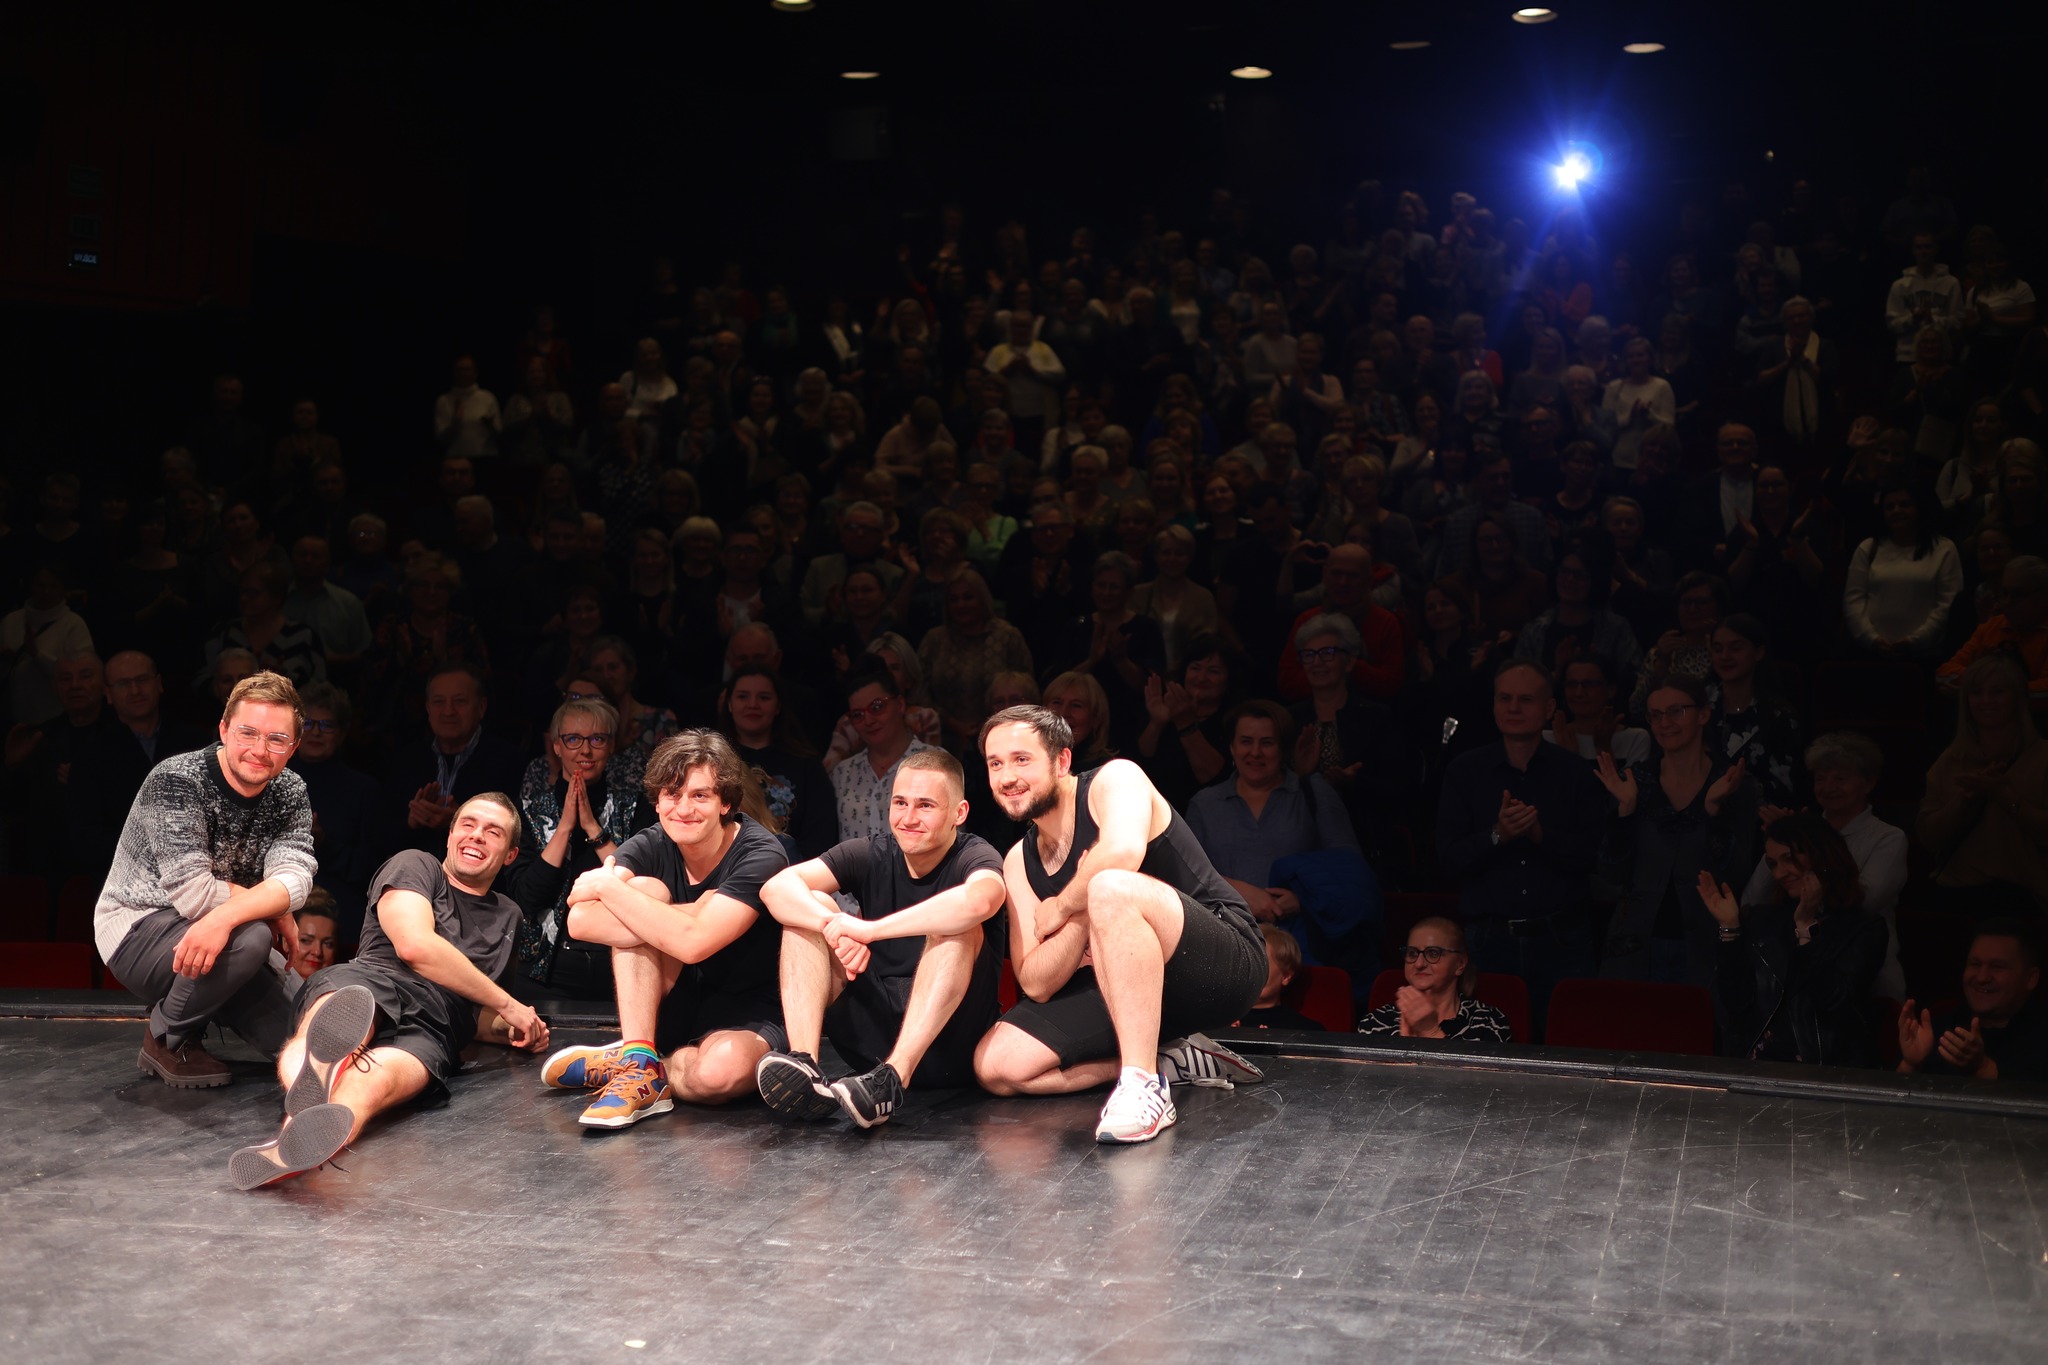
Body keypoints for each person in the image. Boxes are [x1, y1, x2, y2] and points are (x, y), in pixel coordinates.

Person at [972, 706, 1267, 1143]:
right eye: (995, 764)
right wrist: (1080, 918)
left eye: (1021, 759)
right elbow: (1035, 981)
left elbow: (1123, 854)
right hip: (1127, 987)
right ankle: (1168, 1060)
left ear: (1062, 761)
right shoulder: (1018, 860)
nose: (1007, 776)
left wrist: (1061, 907)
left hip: (1224, 961)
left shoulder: (1115, 780)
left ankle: (1143, 1086)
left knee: (1111, 885)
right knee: (996, 1065)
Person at [228, 794, 550, 1188]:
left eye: (493, 832)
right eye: (468, 824)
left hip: (437, 1025)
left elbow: (478, 1011)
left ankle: (293, 1146)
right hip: (374, 981)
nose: (477, 835)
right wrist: (508, 1004)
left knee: (374, 1083)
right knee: (339, 1024)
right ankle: (307, 1099)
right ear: (450, 835)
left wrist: (511, 1028)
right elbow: (414, 945)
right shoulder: (416, 864)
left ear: (511, 854)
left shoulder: (508, 915)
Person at [540, 730, 789, 1126]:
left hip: (749, 1004)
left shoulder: (760, 853)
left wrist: (611, 889)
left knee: (718, 1075)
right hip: (672, 999)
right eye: (672, 795)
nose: (683, 809)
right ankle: (640, 1061)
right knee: (645, 891)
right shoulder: (654, 843)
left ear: (725, 803)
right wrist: (686, 911)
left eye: (700, 795)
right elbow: (579, 920)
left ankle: (634, 1062)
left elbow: (695, 944)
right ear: (657, 802)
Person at [754, 749, 1007, 1126]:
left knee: (959, 926)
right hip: (871, 1038)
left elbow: (980, 899)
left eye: (925, 806)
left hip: (951, 1043)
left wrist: (870, 930)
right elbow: (775, 888)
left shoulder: (975, 855)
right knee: (810, 909)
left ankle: (893, 1079)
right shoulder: (871, 851)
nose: (908, 818)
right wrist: (832, 926)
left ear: (959, 813)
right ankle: (806, 1068)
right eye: (900, 803)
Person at [93, 673, 318, 1088]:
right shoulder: (177, 780)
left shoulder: (290, 791)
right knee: (253, 938)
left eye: (276, 739)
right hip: (137, 926)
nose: (259, 750)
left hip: (227, 931)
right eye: (247, 733)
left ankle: (212, 1001)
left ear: (293, 747)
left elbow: (296, 877)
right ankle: (166, 1036)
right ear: (224, 730)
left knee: (309, 1043)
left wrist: (241, 913)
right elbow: (194, 894)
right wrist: (267, 908)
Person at [1435, 660, 1608, 1033]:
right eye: (1505, 698)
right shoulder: (1465, 771)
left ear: (1549, 708)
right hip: (1488, 940)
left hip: (1563, 939)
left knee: (1570, 1045)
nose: (1514, 708)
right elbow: (1448, 860)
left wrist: (1541, 837)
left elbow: (1595, 857)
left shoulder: (1575, 772)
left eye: (1526, 699)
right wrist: (1497, 835)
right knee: (1483, 1049)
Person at [1593, 676, 1757, 987]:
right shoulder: (1634, 781)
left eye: (1676, 711)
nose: (1664, 723)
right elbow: (1611, 873)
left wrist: (1714, 812)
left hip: (1707, 947)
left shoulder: (1733, 784)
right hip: (1636, 945)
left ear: (1703, 714)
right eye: (1655, 715)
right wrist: (1625, 811)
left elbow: (1737, 875)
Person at [1699, 812, 1886, 1066]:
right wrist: (1730, 928)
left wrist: (1805, 927)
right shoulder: (1763, 920)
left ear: (1821, 856)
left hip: (1826, 1067)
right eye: (1773, 864)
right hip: (1760, 1062)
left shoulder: (1864, 927)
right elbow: (1736, 1004)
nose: (1779, 874)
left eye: (1788, 859)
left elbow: (1835, 1003)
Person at [1739, 731, 1909, 1000]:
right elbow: (1751, 901)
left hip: (1867, 975)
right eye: (1820, 779)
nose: (1828, 787)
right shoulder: (1802, 832)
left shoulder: (1888, 838)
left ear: (1868, 782)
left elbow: (1862, 903)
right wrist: (1780, 841)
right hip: (1795, 970)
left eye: (1840, 779)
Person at [1186, 700, 1360, 924]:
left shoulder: (1313, 792)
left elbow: (1348, 868)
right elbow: (1185, 876)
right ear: (1232, 747)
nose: (1255, 752)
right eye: (1246, 742)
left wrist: (1304, 899)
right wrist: (1236, 891)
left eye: (1267, 743)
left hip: (1298, 934)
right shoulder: (1204, 803)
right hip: (1226, 934)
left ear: (1283, 749)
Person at [1918, 653, 2048, 918]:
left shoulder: (2043, 757)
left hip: (2023, 898)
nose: (1986, 700)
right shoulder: (1950, 760)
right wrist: (1962, 801)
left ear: (2017, 699)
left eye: (1998, 692)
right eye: (1976, 693)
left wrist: (2004, 795)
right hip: (1956, 894)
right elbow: (1928, 838)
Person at [382, 665, 526, 855]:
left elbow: (517, 841)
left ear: (481, 707)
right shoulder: (407, 760)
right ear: (427, 708)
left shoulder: (509, 761)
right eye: (439, 702)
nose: (448, 711)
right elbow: (381, 841)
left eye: (460, 701)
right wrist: (411, 822)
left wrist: (462, 820)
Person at [1898, 920, 2048, 1083]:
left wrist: (1982, 1069)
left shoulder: (2041, 1036)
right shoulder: (1936, 1031)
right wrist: (1910, 1065)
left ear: (2030, 978)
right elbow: (1888, 1097)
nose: (1982, 977)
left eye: (1997, 967)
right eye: (1975, 964)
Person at [1843, 482, 1963, 656]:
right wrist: (1870, 638)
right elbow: (1853, 599)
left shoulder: (1944, 548)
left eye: (1905, 504)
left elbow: (1947, 604)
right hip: (1872, 652)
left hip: (1925, 654)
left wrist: (1916, 640)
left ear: (1920, 507)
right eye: (1890, 507)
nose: (1896, 511)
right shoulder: (1868, 548)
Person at [1355, 917, 1514, 1042]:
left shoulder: (1488, 1021)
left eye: (1433, 953)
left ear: (1460, 964)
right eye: (1412, 953)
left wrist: (1431, 1032)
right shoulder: (1376, 1021)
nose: (1419, 964)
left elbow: (1475, 1076)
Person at [829, 671, 938, 843]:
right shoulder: (843, 773)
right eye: (857, 715)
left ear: (900, 704)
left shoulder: (936, 764)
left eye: (877, 707)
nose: (868, 720)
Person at [1938, 555, 2048, 699]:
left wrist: (1980, 688)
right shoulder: (1992, 627)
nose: (2007, 602)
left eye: (2018, 594)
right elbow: (1944, 674)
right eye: (2004, 593)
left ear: (2043, 596)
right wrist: (1986, 682)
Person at [1544, 656, 1650, 766]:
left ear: (1611, 690)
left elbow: (1628, 778)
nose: (1579, 693)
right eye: (1572, 684)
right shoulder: (1548, 738)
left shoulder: (1635, 738)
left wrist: (1603, 748)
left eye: (1589, 684)